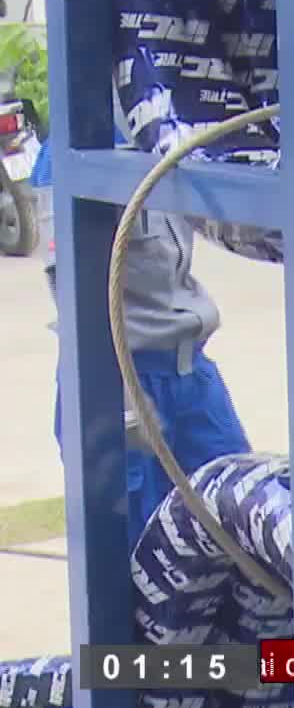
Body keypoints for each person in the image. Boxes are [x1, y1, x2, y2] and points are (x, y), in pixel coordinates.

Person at [32, 141, 251, 546]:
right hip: (122, 378)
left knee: (237, 524)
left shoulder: (164, 137)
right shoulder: (72, 146)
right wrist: (123, 404)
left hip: (191, 374)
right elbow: (69, 283)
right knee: (140, 558)